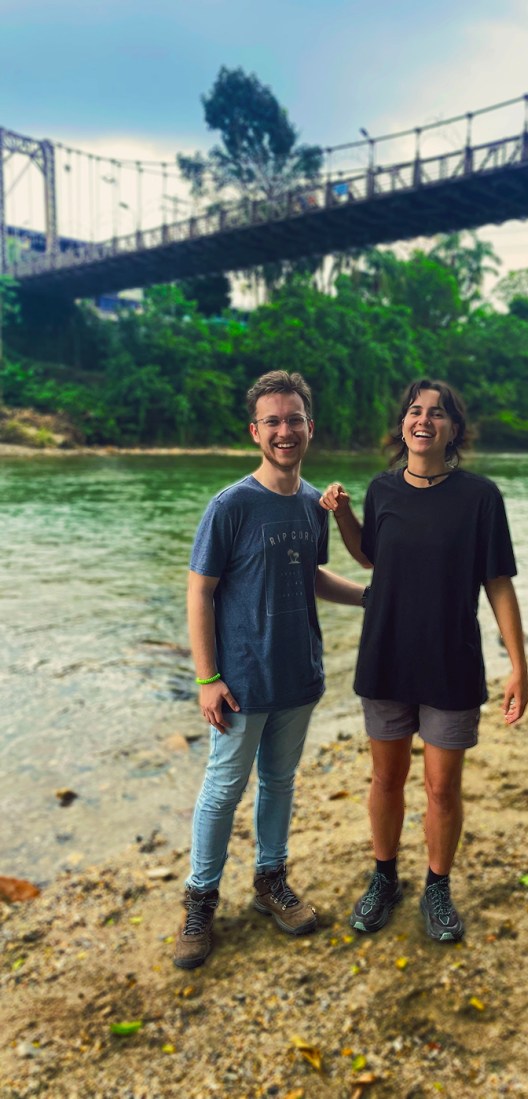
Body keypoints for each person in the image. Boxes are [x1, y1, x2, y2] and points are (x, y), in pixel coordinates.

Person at [320, 378, 528, 943]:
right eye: (416, 411)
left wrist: (518, 665)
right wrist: (342, 516)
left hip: (451, 661)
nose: (424, 420)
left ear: (454, 430)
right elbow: (372, 558)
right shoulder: (381, 489)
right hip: (386, 653)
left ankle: (437, 885)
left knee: (442, 788)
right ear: (403, 424)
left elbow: (498, 582)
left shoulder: (480, 496)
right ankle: (384, 877)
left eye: (438, 414)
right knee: (387, 777)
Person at [174, 370, 367, 970]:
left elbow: (308, 575)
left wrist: (369, 598)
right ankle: (200, 899)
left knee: (280, 783)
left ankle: (269, 882)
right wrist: (207, 678)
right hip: (241, 682)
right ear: (255, 431)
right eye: (273, 422)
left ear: (311, 427)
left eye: (295, 420)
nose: (285, 431)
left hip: (298, 674)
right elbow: (199, 593)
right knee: (222, 791)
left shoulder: (315, 505)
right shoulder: (230, 506)